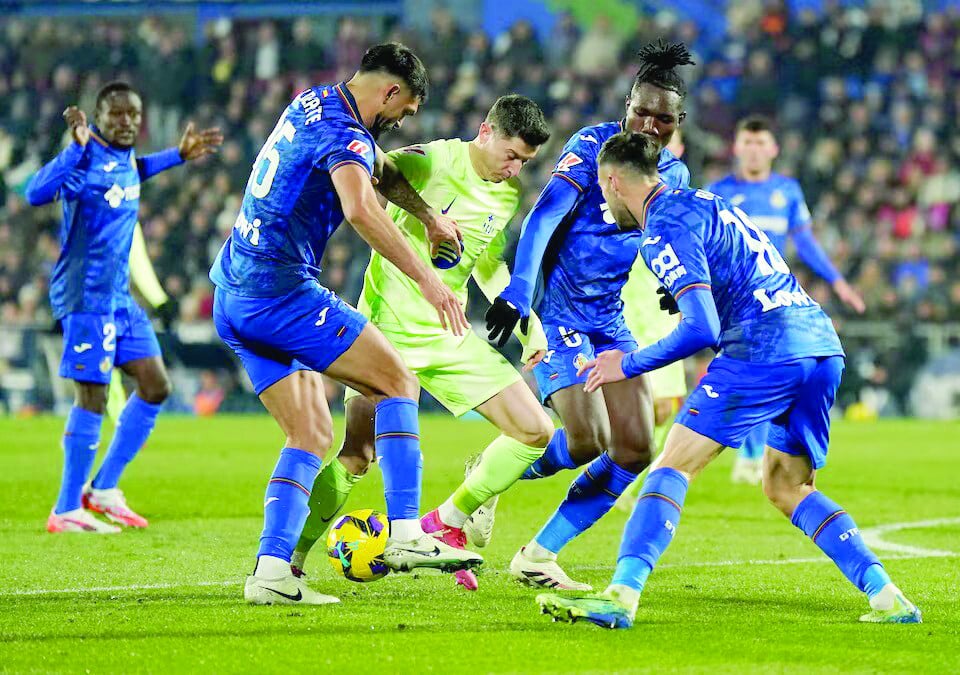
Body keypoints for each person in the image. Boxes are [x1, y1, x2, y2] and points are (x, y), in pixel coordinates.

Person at [537, 131, 921, 628]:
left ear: (612, 181)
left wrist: (625, 365)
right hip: (819, 343)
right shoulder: (708, 199)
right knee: (787, 487)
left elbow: (702, 329)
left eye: (604, 193)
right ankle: (886, 594)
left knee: (668, 469)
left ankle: (620, 596)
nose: (605, 204)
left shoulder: (659, 231)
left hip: (762, 349)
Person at [209, 43, 479, 606]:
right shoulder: (346, 134)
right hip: (280, 293)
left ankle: (271, 573)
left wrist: (428, 218)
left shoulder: (314, 103)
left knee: (310, 435)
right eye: (404, 110)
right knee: (397, 383)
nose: (403, 121)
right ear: (390, 90)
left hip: (233, 293)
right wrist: (429, 282)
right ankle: (406, 536)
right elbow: (359, 207)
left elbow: (379, 171)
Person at [291, 95, 552, 592]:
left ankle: (444, 521)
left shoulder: (506, 196)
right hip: (383, 332)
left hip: (446, 329)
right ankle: (290, 557)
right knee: (357, 454)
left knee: (534, 430)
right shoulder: (428, 160)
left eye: (525, 162)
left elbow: (489, 264)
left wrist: (526, 322)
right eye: (512, 155)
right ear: (486, 132)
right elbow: (363, 186)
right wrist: (427, 218)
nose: (515, 169)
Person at [485, 41, 693, 590]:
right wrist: (521, 291)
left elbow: (665, 240)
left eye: (662, 117)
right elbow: (544, 216)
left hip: (609, 319)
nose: (649, 124)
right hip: (559, 313)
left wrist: (680, 286)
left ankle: (538, 554)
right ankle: (486, 481)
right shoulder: (592, 146)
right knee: (584, 441)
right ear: (626, 105)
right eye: (641, 111)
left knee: (634, 447)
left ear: (679, 122)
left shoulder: (675, 174)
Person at [26, 82, 222, 534]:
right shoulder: (85, 156)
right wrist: (74, 150)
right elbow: (36, 192)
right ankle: (65, 507)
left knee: (155, 384)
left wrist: (178, 154)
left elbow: (136, 170)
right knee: (92, 397)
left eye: (133, 114)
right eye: (117, 115)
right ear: (98, 117)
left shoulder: (125, 158)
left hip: (119, 298)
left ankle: (103, 489)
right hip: (85, 295)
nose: (127, 122)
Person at [707, 115, 866, 485]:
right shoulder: (719, 191)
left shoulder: (788, 191)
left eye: (761, 142)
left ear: (774, 149)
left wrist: (837, 281)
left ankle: (750, 455)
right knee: (747, 374)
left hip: (775, 299)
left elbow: (805, 242)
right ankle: (747, 452)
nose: (754, 149)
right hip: (732, 298)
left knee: (767, 372)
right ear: (736, 147)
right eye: (748, 142)